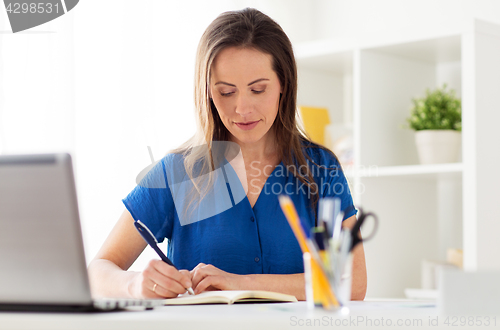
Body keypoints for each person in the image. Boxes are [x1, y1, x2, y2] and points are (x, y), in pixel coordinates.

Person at [88, 7, 367, 301]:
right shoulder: (177, 172)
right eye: (226, 92)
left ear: (284, 83)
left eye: (258, 90)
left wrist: (240, 283)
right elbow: (97, 271)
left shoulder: (320, 168)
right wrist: (135, 285)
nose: (242, 109)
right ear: (207, 91)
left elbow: (352, 282)